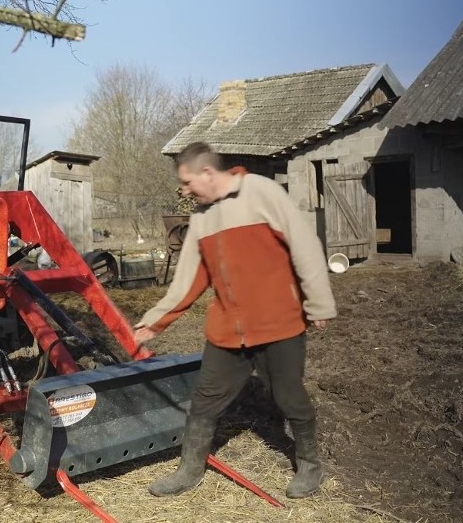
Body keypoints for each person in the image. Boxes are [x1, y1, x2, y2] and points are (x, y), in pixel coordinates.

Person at [134, 141, 337, 499]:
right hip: (228, 330)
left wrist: (318, 303)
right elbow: (188, 279)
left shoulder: (262, 192)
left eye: (186, 182)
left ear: (207, 173)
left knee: (288, 398)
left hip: (279, 324)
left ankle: (309, 464)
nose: (184, 191)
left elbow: (305, 245)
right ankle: (190, 469)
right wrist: (155, 321)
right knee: (205, 400)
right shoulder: (200, 219)